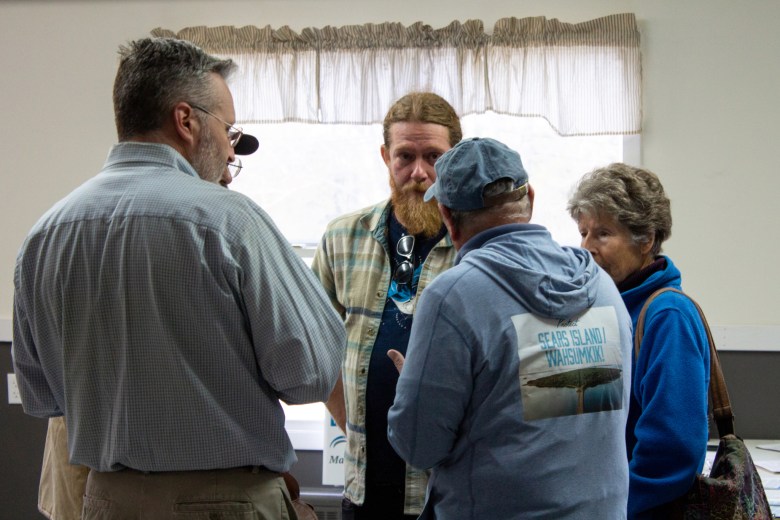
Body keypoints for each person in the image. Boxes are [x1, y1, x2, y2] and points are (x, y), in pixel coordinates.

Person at [12, 36, 345, 519]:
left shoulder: (44, 236)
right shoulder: (230, 222)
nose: (231, 149)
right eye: (229, 129)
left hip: (106, 501)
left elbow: (41, 395)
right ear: (186, 120)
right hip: (225, 503)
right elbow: (310, 377)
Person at [387, 137, 633, 519]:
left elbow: (419, 446)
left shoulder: (453, 296)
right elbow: (568, 414)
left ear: (448, 218)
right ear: (530, 199)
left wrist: (414, 387)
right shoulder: (600, 286)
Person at [311, 91, 461, 519]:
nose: (419, 172)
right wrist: (352, 424)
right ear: (385, 156)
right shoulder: (343, 237)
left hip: (444, 492)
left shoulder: (475, 247)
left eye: (434, 156)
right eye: (404, 156)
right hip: (362, 488)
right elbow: (313, 345)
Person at [567, 163, 710, 519]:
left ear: (645, 239)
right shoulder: (602, 309)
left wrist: (609, 510)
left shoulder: (667, 315)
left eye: (602, 234)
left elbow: (672, 453)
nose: (586, 248)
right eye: (583, 232)